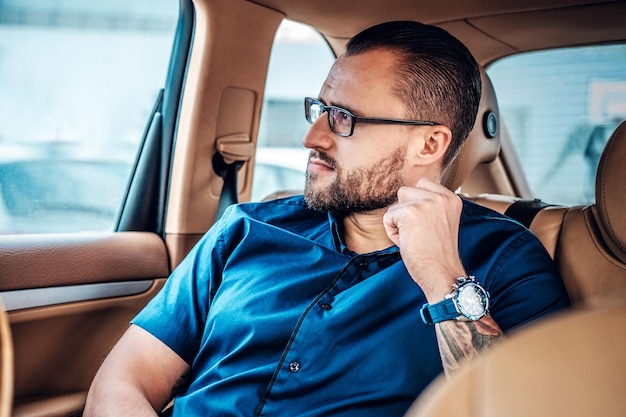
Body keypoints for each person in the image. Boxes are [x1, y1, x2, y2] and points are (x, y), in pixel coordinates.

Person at [84, 21, 570, 417]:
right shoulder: (245, 229)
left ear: (429, 144)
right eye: (319, 110)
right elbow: (123, 382)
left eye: (343, 118)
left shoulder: (507, 261)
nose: (312, 136)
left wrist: (445, 280)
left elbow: (521, 406)